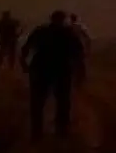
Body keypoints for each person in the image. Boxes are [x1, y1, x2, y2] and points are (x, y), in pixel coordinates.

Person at [21, 10, 85, 140]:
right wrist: (80, 73)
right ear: (64, 19)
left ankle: (37, 132)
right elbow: (79, 55)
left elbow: (26, 48)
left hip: (41, 69)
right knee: (63, 102)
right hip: (62, 70)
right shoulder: (70, 33)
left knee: (37, 102)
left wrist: (24, 64)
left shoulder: (41, 31)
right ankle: (61, 131)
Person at [69, 13, 92, 83]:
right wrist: (88, 47)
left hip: (71, 47)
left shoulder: (68, 27)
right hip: (79, 46)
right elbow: (87, 37)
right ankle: (82, 78)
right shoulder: (80, 26)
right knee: (81, 63)